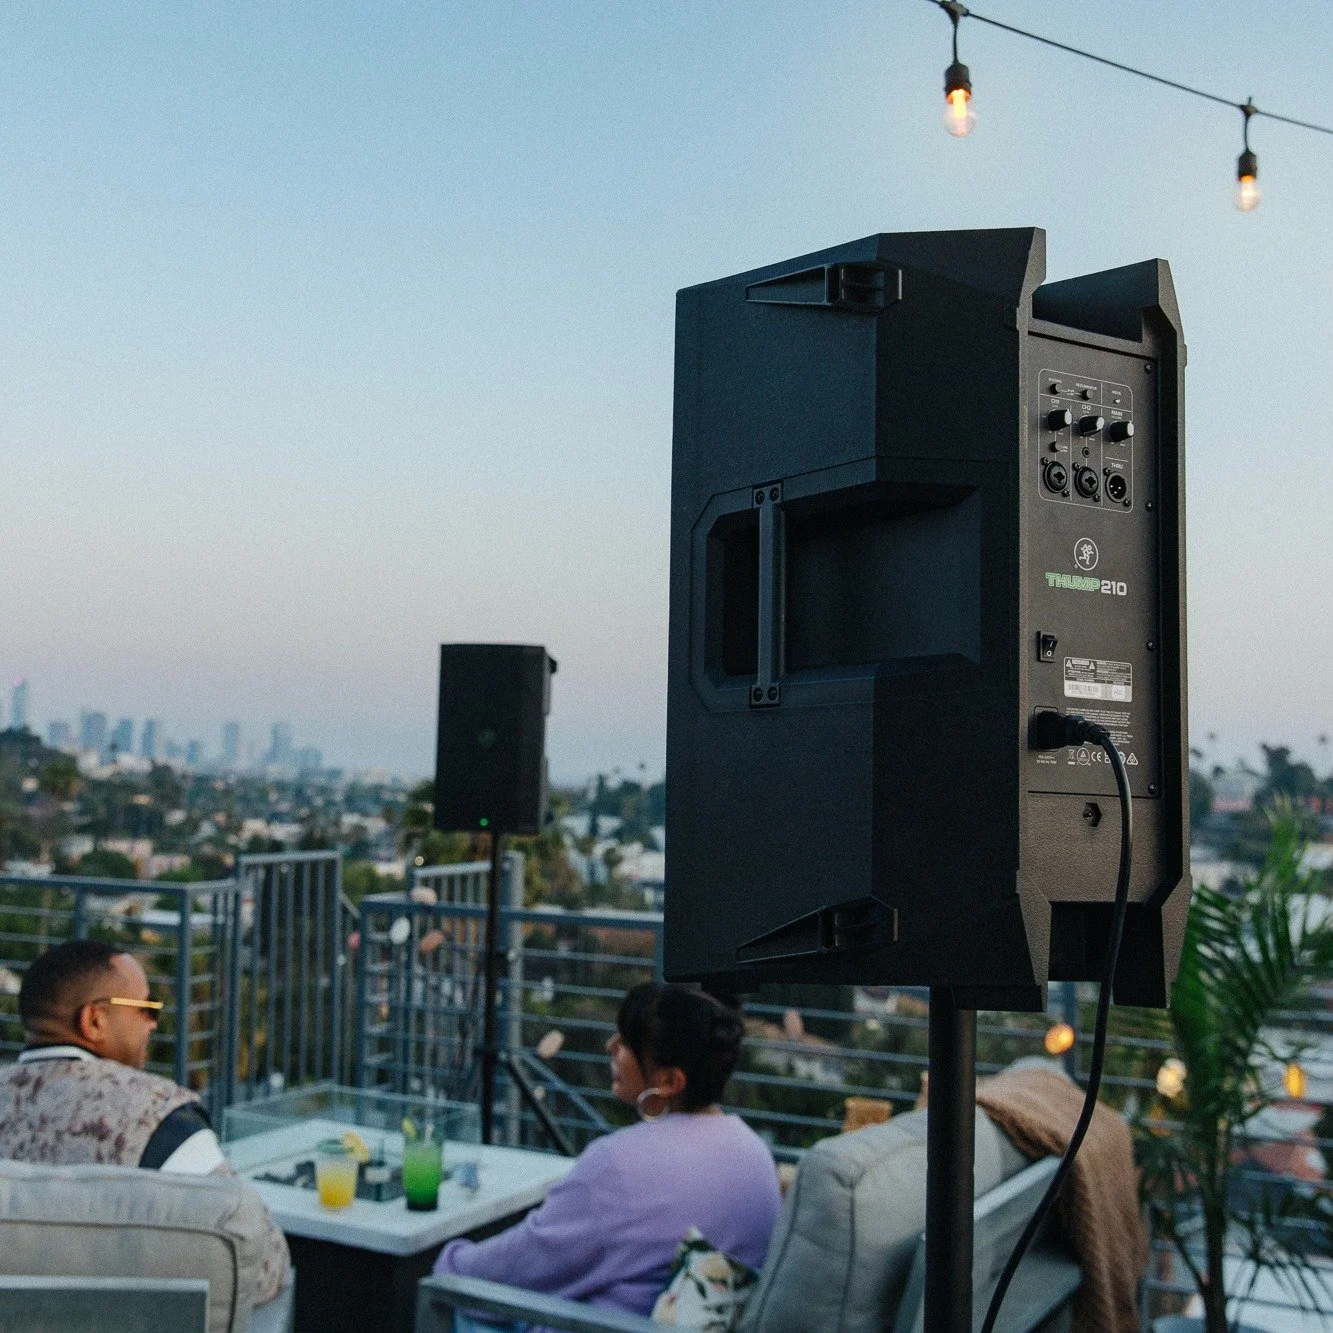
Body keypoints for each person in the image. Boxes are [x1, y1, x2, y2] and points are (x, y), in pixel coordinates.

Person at [434, 981, 781, 1325]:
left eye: (627, 1042)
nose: (609, 1046)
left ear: (670, 1081)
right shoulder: (755, 1155)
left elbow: (515, 1266)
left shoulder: (621, 1165)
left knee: (456, 1302)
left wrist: (450, 1261)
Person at [0, 938, 290, 1305]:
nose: (154, 1023)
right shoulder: (158, 1116)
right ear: (94, 1021)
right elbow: (261, 1265)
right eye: (146, 1009)